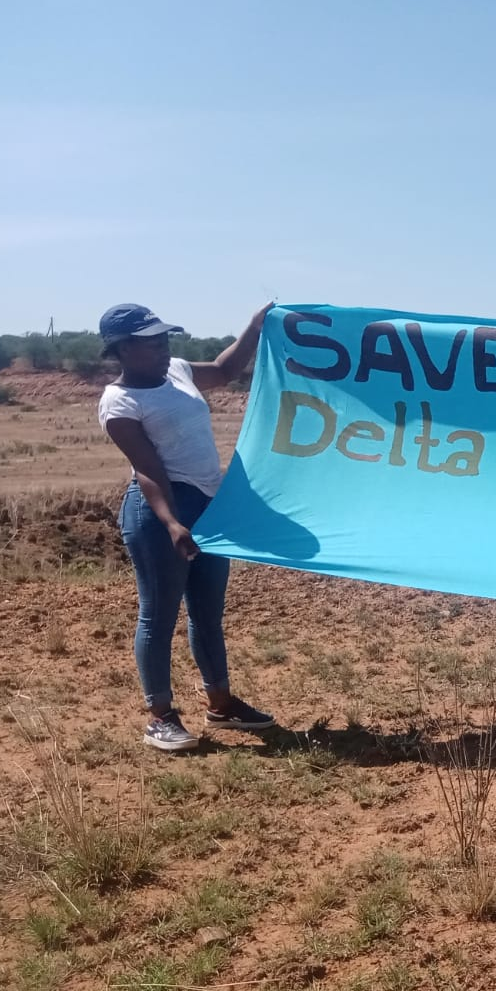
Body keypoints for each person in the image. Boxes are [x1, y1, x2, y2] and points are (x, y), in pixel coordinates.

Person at [97, 302, 278, 751]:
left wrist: (255, 327)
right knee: (157, 616)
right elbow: (147, 469)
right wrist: (173, 523)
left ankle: (221, 703)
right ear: (121, 349)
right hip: (161, 512)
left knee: (207, 612)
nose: (163, 348)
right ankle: (160, 717)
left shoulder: (177, 370)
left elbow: (223, 368)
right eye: (151, 342)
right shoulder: (119, 401)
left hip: (208, 508)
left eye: (164, 339)